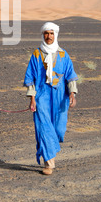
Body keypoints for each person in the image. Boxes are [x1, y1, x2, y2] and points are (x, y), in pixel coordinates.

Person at [24, 22, 78, 175]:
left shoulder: (63, 54)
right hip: (42, 96)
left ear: (56, 35)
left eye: (51, 33)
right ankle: (49, 163)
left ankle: (51, 150)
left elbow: (70, 75)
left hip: (60, 96)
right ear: (43, 35)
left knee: (59, 128)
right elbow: (30, 77)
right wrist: (32, 99)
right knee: (44, 128)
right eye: (46, 33)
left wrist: (72, 93)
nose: (49, 36)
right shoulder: (36, 54)